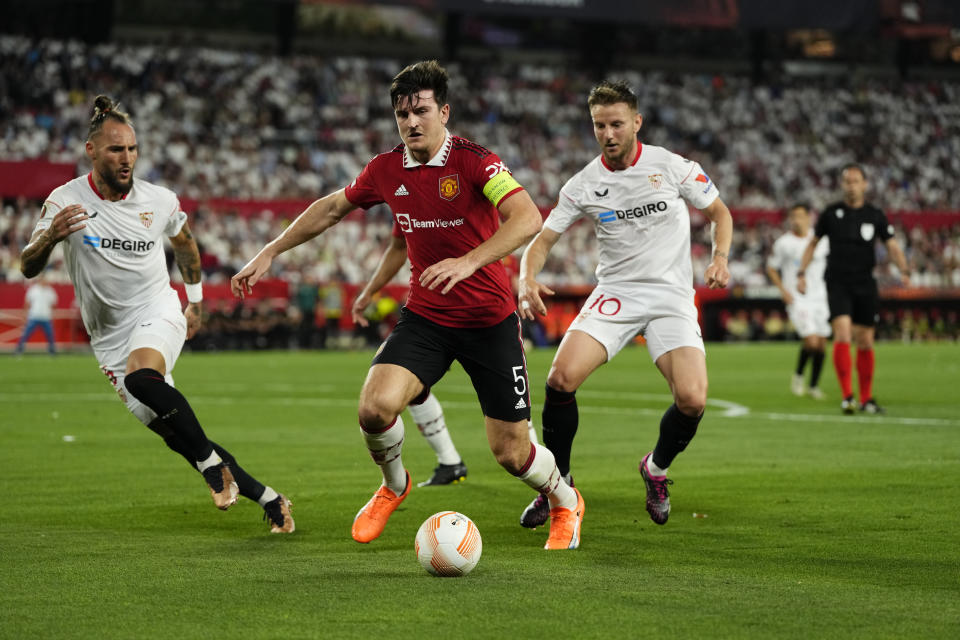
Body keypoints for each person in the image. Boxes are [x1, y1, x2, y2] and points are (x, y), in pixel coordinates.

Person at [232, 60, 584, 550]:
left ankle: (565, 501)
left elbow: (526, 218)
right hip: (428, 319)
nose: (411, 122)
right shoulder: (385, 168)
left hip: (488, 322)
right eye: (402, 114)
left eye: (420, 110)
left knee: (511, 453)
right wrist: (270, 250)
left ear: (444, 111)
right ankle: (394, 485)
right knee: (374, 409)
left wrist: (470, 261)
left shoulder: (478, 162)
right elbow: (332, 208)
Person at [19, 95, 294, 533]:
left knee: (141, 378)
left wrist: (196, 299)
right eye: (115, 149)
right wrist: (50, 236)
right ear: (92, 151)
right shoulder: (63, 201)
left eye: (132, 148)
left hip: (157, 307)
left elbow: (184, 242)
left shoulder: (159, 200)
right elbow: (27, 266)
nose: (126, 158)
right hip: (107, 336)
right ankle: (270, 499)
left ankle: (209, 467)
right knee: (177, 433)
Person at [516, 80, 732, 528]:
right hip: (616, 292)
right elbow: (544, 239)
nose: (608, 134)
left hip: (671, 296)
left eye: (617, 124)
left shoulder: (671, 166)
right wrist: (526, 277)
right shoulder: (583, 183)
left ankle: (655, 469)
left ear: (637, 122)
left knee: (692, 399)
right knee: (560, 378)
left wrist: (720, 258)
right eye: (599, 125)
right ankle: (558, 485)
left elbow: (719, 213)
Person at [350, 232, 468, 487]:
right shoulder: (406, 197)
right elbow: (398, 244)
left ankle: (552, 484)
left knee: (507, 418)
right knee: (405, 385)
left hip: (481, 311)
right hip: (430, 315)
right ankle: (448, 462)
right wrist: (370, 290)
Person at [797, 164, 910, 415]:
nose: (851, 185)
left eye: (856, 181)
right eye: (847, 181)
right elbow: (812, 244)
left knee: (866, 340)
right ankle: (847, 396)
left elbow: (891, 245)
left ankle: (866, 398)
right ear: (842, 185)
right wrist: (801, 273)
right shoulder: (831, 213)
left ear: (865, 184)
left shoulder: (875, 214)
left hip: (865, 283)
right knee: (843, 334)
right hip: (837, 282)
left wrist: (904, 269)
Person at [766, 204, 830, 399]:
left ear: (809, 218)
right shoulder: (784, 243)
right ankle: (799, 376)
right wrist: (783, 290)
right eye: (793, 216)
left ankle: (813, 386)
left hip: (820, 296)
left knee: (821, 345)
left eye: (800, 216)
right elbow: (771, 267)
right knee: (810, 342)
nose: (796, 220)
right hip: (797, 298)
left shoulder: (822, 240)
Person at [15, 271, 58, 355]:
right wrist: (24, 314)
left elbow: (54, 304)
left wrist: (53, 314)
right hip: (34, 316)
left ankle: (52, 352)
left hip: (46, 317)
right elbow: (27, 303)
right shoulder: (33, 289)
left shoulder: (50, 291)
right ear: (40, 280)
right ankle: (19, 350)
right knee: (26, 334)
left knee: (50, 335)